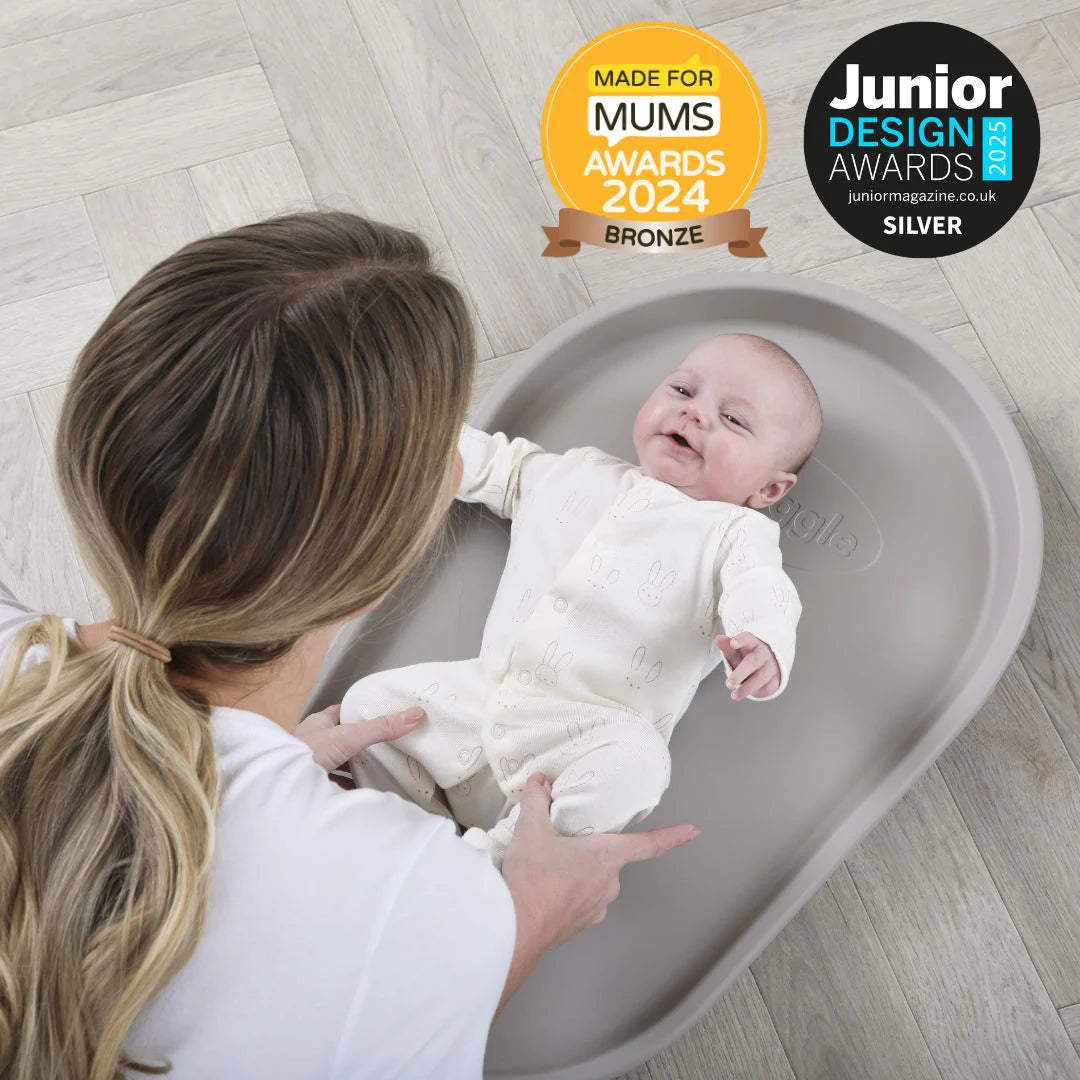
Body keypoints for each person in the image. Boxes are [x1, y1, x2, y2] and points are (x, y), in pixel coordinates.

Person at [0, 211, 700, 1080]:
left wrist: (245, 776)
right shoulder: (406, 911)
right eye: (446, 447)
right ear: (382, 564)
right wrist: (527, 921)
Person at [341, 333, 821, 867]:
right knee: (367, 706)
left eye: (732, 419)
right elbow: (500, 467)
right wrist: (411, 431)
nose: (695, 413)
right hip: (480, 699)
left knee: (640, 763)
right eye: (682, 390)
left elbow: (762, 585)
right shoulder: (580, 471)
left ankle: (492, 866)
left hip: (580, 741)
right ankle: (409, 842)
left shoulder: (733, 532)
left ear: (770, 490)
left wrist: (764, 639)